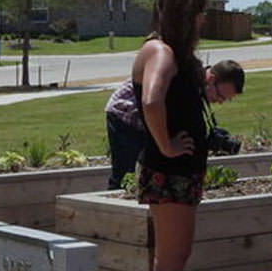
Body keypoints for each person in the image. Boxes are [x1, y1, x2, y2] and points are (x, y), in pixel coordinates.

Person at [132, 0, 210, 271]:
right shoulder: (160, 52)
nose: (202, 21)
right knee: (170, 264)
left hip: (178, 173)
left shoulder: (167, 52)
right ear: (185, 16)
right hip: (171, 173)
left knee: (171, 263)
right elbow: (151, 101)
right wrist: (166, 145)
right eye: (199, 14)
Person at [105, 60, 245, 189]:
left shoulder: (197, 85)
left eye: (226, 99)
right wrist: (168, 144)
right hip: (125, 112)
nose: (220, 101)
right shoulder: (186, 81)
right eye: (220, 96)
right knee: (125, 174)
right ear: (211, 79)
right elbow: (157, 109)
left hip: (149, 116)